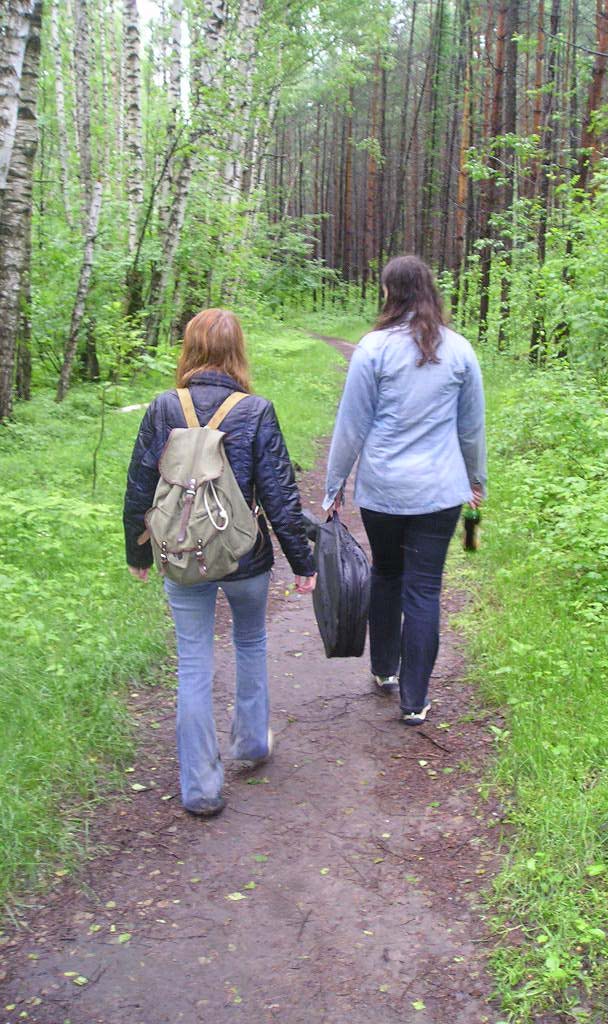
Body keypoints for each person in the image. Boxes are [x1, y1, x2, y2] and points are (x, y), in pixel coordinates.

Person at [124, 309, 316, 818]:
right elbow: (279, 496)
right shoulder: (256, 410)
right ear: (238, 351)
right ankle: (251, 742)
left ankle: (200, 788)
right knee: (250, 641)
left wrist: (138, 551)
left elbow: (140, 485)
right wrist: (302, 562)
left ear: (189, 349)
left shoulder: (164, 407)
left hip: (180, 552)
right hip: (243, 555)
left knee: (193, 661)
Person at [323, 255, 486, 725]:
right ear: (431, 290)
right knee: (424, 589)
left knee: (387, 574)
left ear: (388, 292)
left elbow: (352, 425)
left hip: (384, 490)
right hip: (440, 492)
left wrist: (333, 486)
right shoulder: (459, 350)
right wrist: (476, 480)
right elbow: (471, 428)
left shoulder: (373, 349)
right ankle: (415, 701)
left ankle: (384, 669)